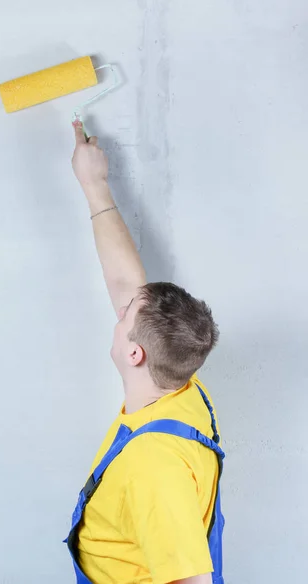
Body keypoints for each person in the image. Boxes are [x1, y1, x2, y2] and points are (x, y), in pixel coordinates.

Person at [64, 121, 225, 584]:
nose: (118, 313)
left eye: (122, 317)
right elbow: (126, 285)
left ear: (135, 354)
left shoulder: (154, 465)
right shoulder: (182, 385)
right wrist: (94, 184)